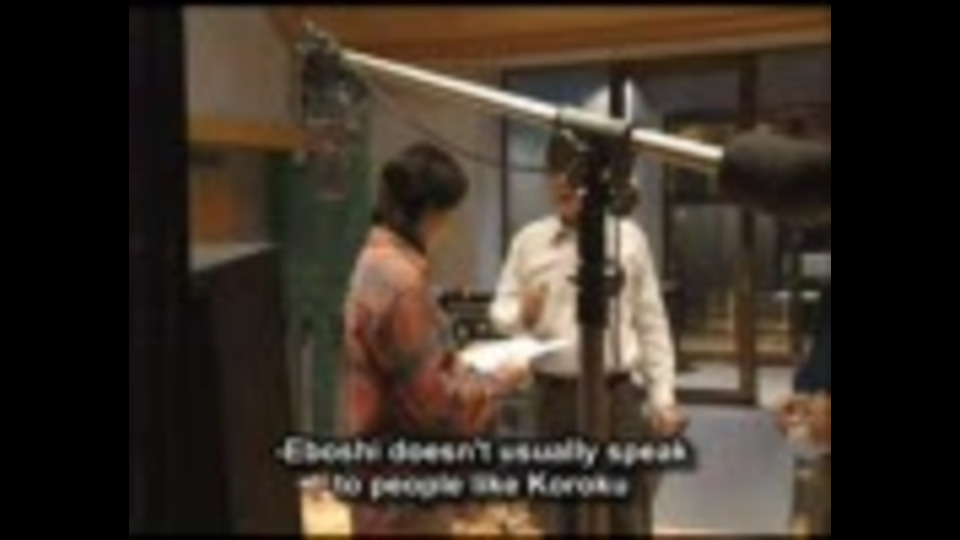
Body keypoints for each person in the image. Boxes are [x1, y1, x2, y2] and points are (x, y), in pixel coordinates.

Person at [489, 131, 685, 536]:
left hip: (617, 396)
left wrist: (663, 396)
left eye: (572, 172)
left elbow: (651, 322)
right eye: (554, 173)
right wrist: (521, 314)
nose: (563, 182)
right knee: (557, 518)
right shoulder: (528, 241)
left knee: (627, 518)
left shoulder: (629, 239)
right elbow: (500, 310)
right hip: (552, 397)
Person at [337, 142, 530, 535]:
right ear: (427, 213)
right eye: (447, 215)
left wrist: (457, 364)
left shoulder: (372, 260)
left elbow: (405, 376)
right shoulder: (403, 282)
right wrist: (497, 382)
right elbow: (438, 411)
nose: (447, 228)